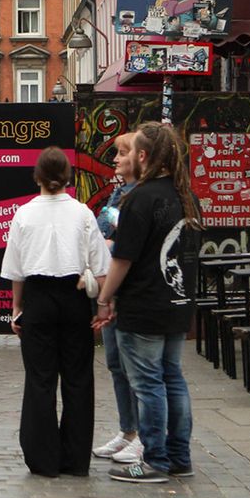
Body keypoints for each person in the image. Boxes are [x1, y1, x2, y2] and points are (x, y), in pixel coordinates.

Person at [93, 122, 201, 484]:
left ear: (143, 156)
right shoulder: (185, 195)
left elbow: (122, 259)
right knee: (173, 378)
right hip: (178, 300)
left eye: (132, 150)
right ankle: (178, 456)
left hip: (144, 304)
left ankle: (154, 460)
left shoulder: (141, 198)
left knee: (149, 383)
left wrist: (105, 299)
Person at [2, 147, 110, 477]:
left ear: (37, 176)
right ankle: (76, 460)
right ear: (67, 176)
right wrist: (104, 307)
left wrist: (16, 308)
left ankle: (42, 458)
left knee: (40, 380)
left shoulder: (23, 214)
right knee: (78, 380)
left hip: (37, 297)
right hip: (74, 297)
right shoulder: (82, 214)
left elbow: (16, 270)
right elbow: (100, 267)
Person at [91, 133, 143, 465]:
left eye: (122, 154)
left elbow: (114, 239)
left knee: (135, 366)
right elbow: (100, 231)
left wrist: (107, 243)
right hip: (112, 286)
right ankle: (127, 430)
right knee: (115, 362)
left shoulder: (140, 196)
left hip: (128, 290)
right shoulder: (118, 192)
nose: (115, 160)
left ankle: (141, 435)